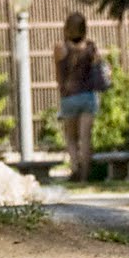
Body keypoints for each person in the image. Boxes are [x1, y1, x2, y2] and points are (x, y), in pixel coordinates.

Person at [53, 11, 101, 183]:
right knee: (86, 137)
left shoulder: (60, 48)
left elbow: (59, 76)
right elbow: (98, 67)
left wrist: (62, 90)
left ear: (66, 28)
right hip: (88, 96)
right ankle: (85, 176)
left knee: (71, 138)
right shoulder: (91, 47)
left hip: (70, 97)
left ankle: (75, 168)